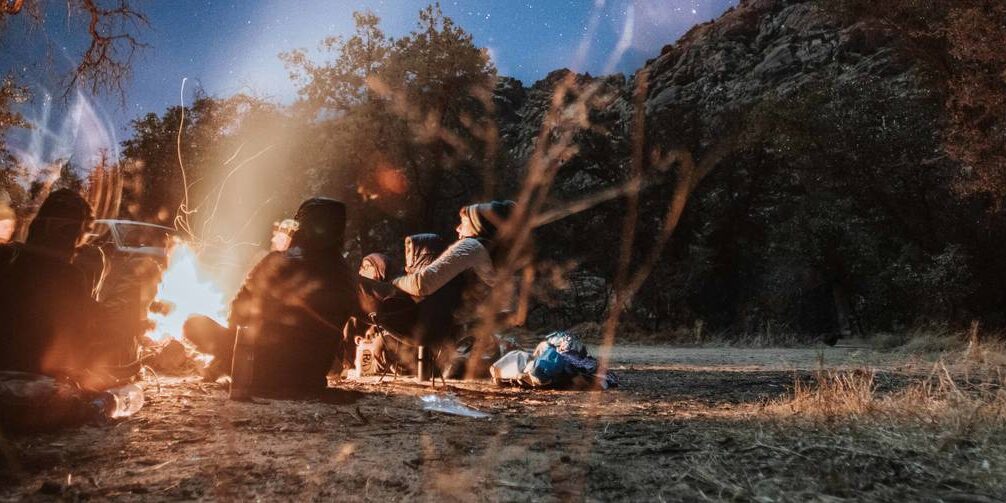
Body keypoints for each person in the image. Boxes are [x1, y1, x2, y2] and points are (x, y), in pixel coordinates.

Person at [187, 197, 361, 397]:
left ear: (302, 227)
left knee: (194, 324)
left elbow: (237, 313)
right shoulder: (345, 275)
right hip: (310, 377)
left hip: (260, 372)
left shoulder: (275, 262)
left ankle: (228, 366)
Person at [0, 190, 116, 388]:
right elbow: (75, 344)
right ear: (70, 232)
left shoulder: (10, 259)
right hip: (37, 381)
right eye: (84, 232)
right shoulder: (68, 276)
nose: (82, 244)